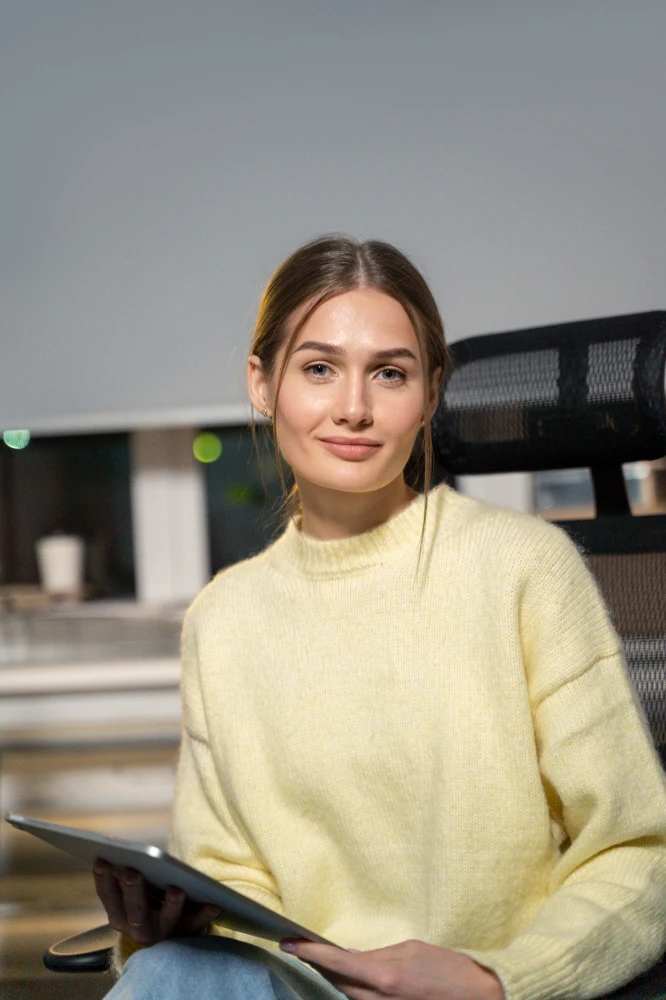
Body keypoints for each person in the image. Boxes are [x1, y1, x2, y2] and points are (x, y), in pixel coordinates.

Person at [95, 235, 666, 1000]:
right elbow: (228, 875)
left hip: (472, 991)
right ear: (263, 385)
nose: (354, 409)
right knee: (166, 971)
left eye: (390, 373)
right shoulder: (221, 618)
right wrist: (171, 921)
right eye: (319, 369)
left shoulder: (524, 569)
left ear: (430, 394)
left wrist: (495, 981)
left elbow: (640, 852)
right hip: (300, 987)